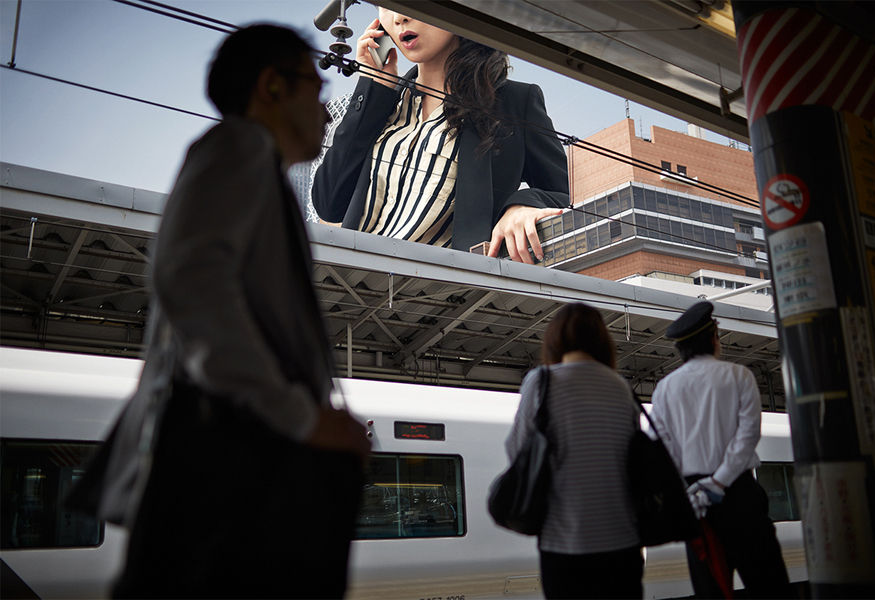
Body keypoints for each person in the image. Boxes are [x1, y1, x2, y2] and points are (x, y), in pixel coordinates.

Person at [68, 24, 371, 598]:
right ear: (271, 86)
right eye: (317, 85)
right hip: (224, 459)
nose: (327, 111)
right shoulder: (237, 147)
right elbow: (192, 280)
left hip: (227, 455)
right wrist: (301, 416)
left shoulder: (257, 169)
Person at [312, 8, 569, 263]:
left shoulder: (515, 103)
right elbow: (328, 203)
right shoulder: (382, 102)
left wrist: (521, 207)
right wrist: (373, 86)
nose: (399, 17)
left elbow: (566, 194)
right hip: (346, 286)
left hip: (439, 293)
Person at [651, 301, 791, 599]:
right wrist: (719, 481)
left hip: (695, 503)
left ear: (681, 348)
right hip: (740, 495)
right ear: (713, 336)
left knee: (709, 588)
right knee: (769, 585)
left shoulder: (664, 388)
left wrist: (693, 490)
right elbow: (747, 436)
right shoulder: (740, 376)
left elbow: (663, 451)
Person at [505, 303, 643, 598]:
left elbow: (518, 450)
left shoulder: (541, 382)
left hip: (563, 542)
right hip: (622, 543)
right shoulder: (621, 388)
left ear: (554, 339)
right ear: (602, 340)